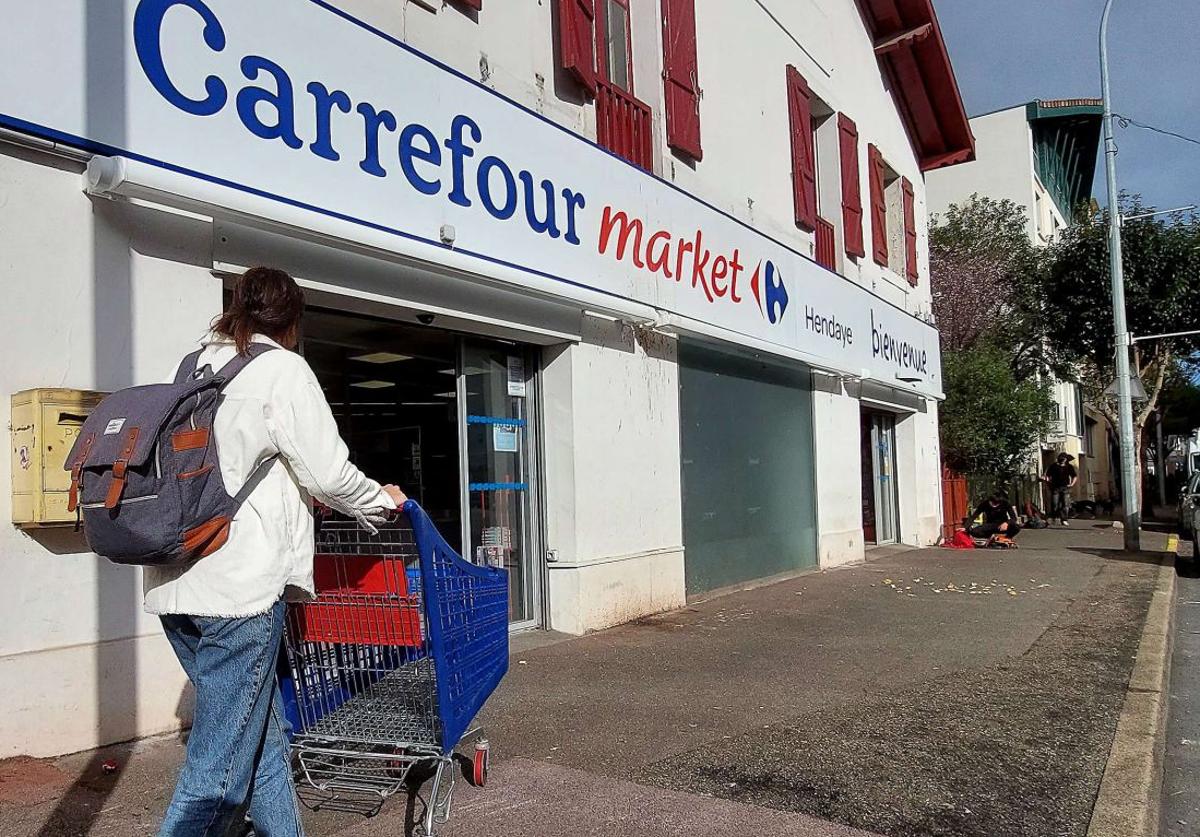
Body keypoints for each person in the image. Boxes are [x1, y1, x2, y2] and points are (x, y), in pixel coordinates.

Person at [145, 266, 405, 836]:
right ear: (293, 321)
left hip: (174, 586)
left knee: (260, 739)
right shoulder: (282, 370)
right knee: (215, 778)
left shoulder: (188, 365)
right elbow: (328, 474)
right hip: (238, 590)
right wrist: (380, 501)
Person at [1042, 452, 1078, 526]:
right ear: (1059, 459)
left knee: (1065, 504)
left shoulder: (1069, 467)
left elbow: (1074, 476)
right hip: (1055, 487)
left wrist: (1071, 484)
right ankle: (1053, 517)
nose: (1062, 460)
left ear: (1066, 459)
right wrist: (1046, 480)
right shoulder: (1053, 466)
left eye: (1064, 459)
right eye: (1061, 458)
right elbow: (1048, 475)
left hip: (1065, 487)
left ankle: (1064, 519)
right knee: (1054, 504)